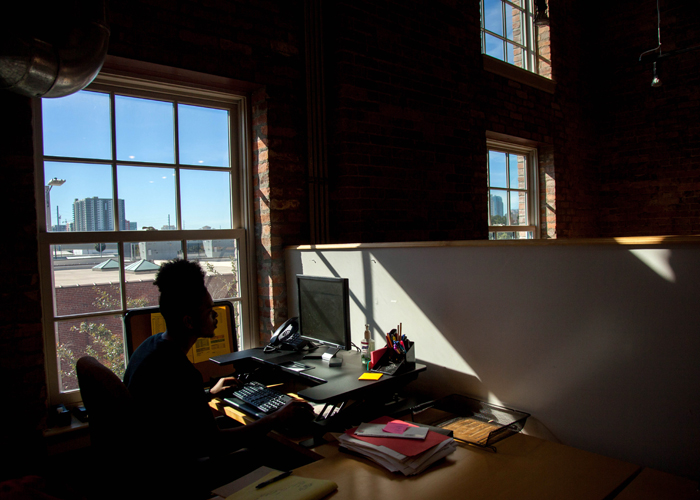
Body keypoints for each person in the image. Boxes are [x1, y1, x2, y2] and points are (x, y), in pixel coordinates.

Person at [123, 259, 314, 497]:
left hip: (151, 464)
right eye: (208, 311)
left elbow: (168, 409)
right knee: (274, 452)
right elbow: (215, 445)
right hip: (175, 476)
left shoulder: (150, 347)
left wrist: (207, 394)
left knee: (259, 438)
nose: (215, 316)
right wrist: (278, 416)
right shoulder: (179, 371)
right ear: (188, 321)